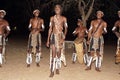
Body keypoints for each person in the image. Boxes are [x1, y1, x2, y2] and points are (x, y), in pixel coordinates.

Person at [46, 4, 68, 77]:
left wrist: (63, 37)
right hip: (53, 36)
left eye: (58, 7)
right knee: (53, 54)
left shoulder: (64, 18)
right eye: (55, 8)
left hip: (60, 36)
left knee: (58, 54)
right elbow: (50, 29)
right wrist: (48, 40)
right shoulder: (52, 18)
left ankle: (57, 67)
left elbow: (66, 28)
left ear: (61, 9)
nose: (57, 9)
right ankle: (52, 71)